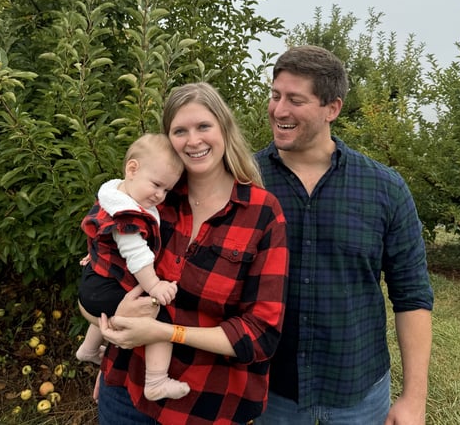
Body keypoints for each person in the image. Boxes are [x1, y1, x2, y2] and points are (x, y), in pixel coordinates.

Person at [87, 82, 289, 425]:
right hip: (125, 389)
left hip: (207, 404)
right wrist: (111, 322)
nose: (193, 140)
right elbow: (96, 280)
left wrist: (166, 333)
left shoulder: (261, 212)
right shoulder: (151, 200)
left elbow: (260, 333)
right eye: (180, 130)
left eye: (203, 127)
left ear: (224, 128)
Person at [254, 45, 434, 425]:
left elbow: (412, 295)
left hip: (359, 390)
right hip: (270, 391)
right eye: (275, 95)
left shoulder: (384, 188)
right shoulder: (245, 181)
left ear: (331, 109)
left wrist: (414, 398)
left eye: (295, 100)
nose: (279, 110)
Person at [77, 133, 190, 401]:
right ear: (132, 169)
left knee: (113, 303)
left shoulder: (114, 195)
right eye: (156, 185)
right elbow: (137, 256)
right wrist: (155, 286)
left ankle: (89, 349)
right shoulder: (129, 216)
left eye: (166, 190)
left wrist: (92, 256)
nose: (160, 196)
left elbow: (98, 232)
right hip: (101, 285)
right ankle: (156, 381)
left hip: (95, 279)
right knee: (159, 318)